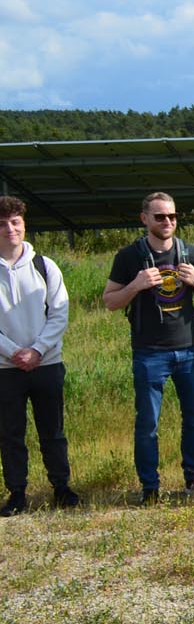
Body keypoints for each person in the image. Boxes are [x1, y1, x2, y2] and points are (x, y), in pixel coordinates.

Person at [102, 191, 194, 503]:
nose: (167, 221)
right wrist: (136, 285)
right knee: (148, 423)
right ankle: (150, 486)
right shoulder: (128, 257)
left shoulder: (191, 253)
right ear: (144, 219)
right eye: (160, 216)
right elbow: (110, 301)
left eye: (172, 216)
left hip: (189, 349)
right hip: (149, 352)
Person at [0, 195, 78, 516]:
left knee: (53, 431)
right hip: (5, 368)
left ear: (24, 224)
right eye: (3, 224)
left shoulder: (44, 266)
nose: (9, 229)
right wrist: (13, 352)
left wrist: (37, 350)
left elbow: (59, 312)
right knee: (10, 434)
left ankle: (61, 487)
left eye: (15, 222)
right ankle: (17, 493)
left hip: (46, 364)